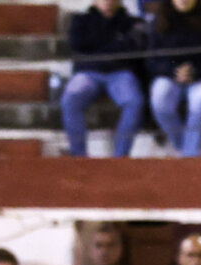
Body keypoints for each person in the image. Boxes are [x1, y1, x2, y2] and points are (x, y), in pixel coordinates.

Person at [147, 0, 201, 157]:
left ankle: (190, 156)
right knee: (160, 99)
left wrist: (196, 72)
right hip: (171, 76)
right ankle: (185, 150)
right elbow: (151, 59)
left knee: (199, 102)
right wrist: (173, 71)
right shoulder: (159, 20)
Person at [61, 0, 147, 158]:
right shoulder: (80, 20)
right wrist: (116, 47)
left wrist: (96, 51)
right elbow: (78, 45)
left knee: (134, 102)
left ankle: (120, 157)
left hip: (120, 73)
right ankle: (78, 156)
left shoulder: (133, 23)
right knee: (70, 98)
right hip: (88, 72)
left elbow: (133, 50)